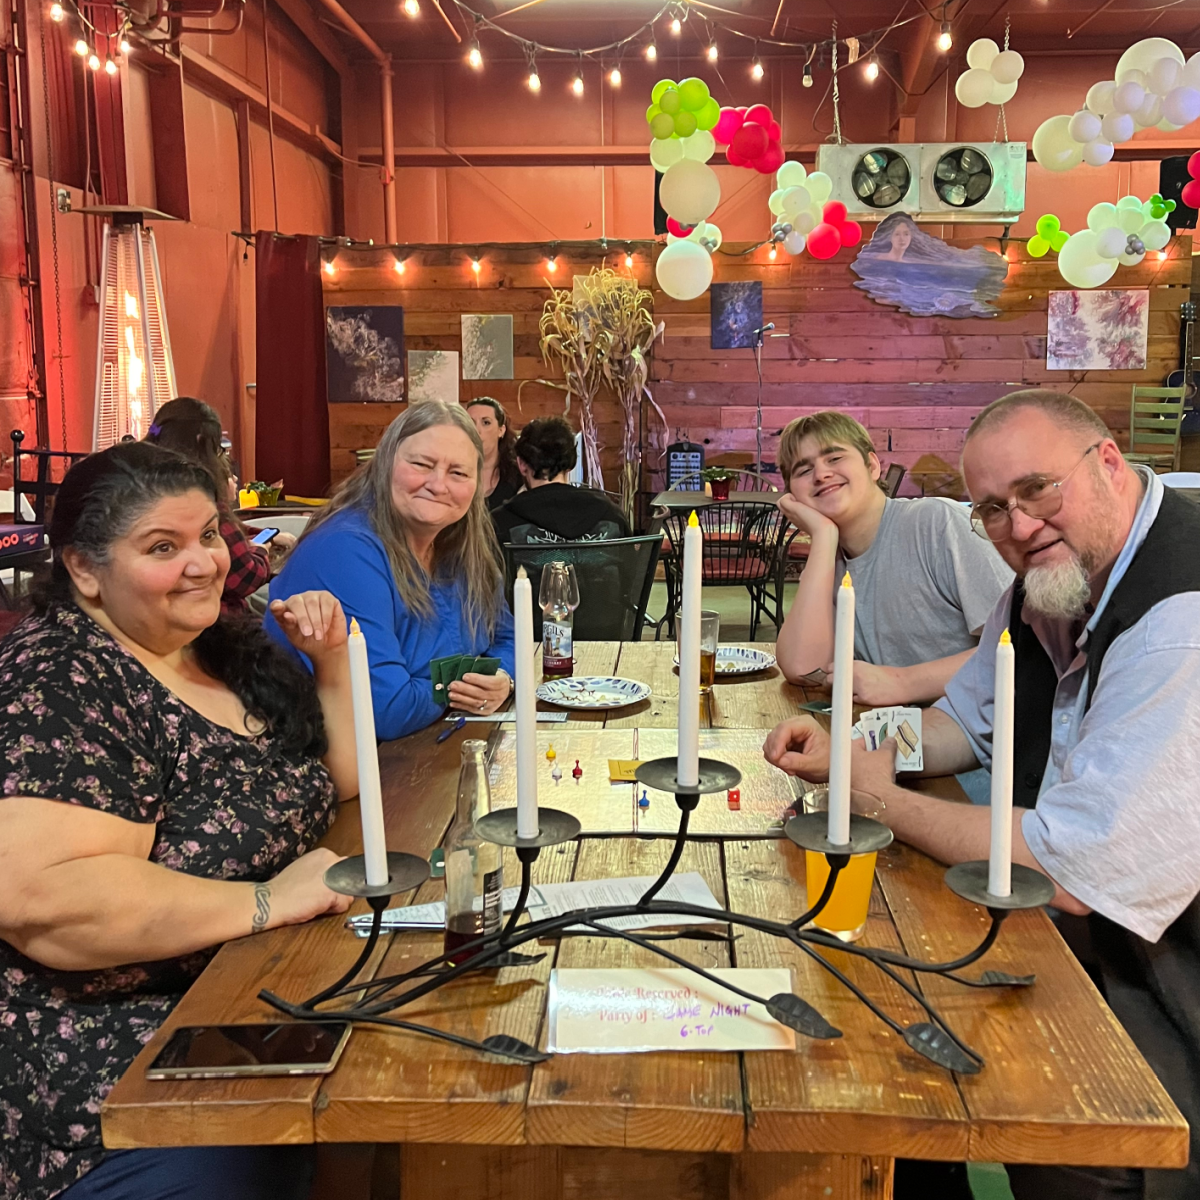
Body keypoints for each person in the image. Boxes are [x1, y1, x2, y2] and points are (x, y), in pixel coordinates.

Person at [764, 389, 1200, 1200]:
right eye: (993, 510)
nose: (1020, 527)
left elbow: (1070, 866)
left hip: (1167, 999)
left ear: (1107, 460)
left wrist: (879, 801)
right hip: (1080, 941)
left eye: (1038, 491)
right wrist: (855, 747)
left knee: (1020, 1106)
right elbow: (960, 723)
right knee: (890, 1020)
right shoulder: (1051, 587)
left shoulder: (1179, 619)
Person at [0, 442, 360, 1200]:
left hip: (250, 1004)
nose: (204, 563)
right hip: (120, 1084)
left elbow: (341, 783)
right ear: (84, 569)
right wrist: (269, 903)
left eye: (206, 535)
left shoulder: (216, 646)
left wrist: (331, 661)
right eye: (163, 547)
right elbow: (46, 904)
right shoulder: (64, 672)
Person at [265, 401, 515, 740]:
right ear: (385, 464)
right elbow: (384, 710)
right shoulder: (344, 550)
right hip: (326, 768)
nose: (438, 485)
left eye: (458, 473)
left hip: (431, 749)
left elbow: (507, 638)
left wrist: (503, 679)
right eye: (421, 464)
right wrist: (462, 685)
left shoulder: (461, 544)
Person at [775, 410, 1012, 706]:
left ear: (872, 466)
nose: (821, 474)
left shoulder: (936, 523)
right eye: (803, 470)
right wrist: (822, 536)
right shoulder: (831, 558)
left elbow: (1024, 647)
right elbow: (803, 668)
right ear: (793, 495)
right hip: (895, 738)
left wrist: (903, 683)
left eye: (834, 458)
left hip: (984, 739)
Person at [146, 397, 295, 613]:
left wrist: (265, 535)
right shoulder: (201, 496)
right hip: (216, 623)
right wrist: (261, 551)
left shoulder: (145, 485)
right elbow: (244, 577)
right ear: (202, 441)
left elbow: (224, 533)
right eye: (217, 448)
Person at [492, 415, 630, 544]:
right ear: (572, 462)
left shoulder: (498, 522)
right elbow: (634, 567)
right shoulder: (612, 514)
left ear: (521, 465)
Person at [465, 397, 521, 512]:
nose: (477, 430)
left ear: (501, 430)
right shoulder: (453, 472)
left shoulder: (517, 475)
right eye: (471, 423)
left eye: (486, 423)